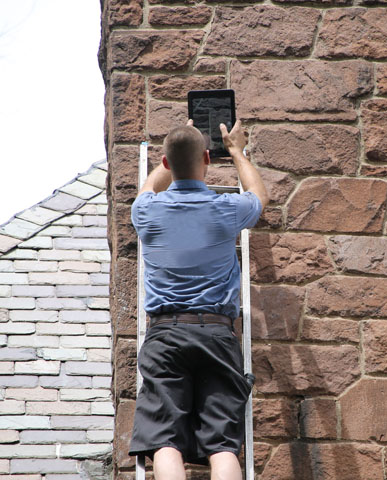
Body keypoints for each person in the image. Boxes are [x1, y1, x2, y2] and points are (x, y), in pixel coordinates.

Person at [128, 118, 269, 480]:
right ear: (207, 158)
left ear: (164, 163)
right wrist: (236, 150)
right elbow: (258, 195)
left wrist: (172, 152)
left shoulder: (147, 212)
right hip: (217, 336)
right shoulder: (226, 210)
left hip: (165, 337)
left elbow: (148, 186)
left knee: (164, 441)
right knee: (222, 446)